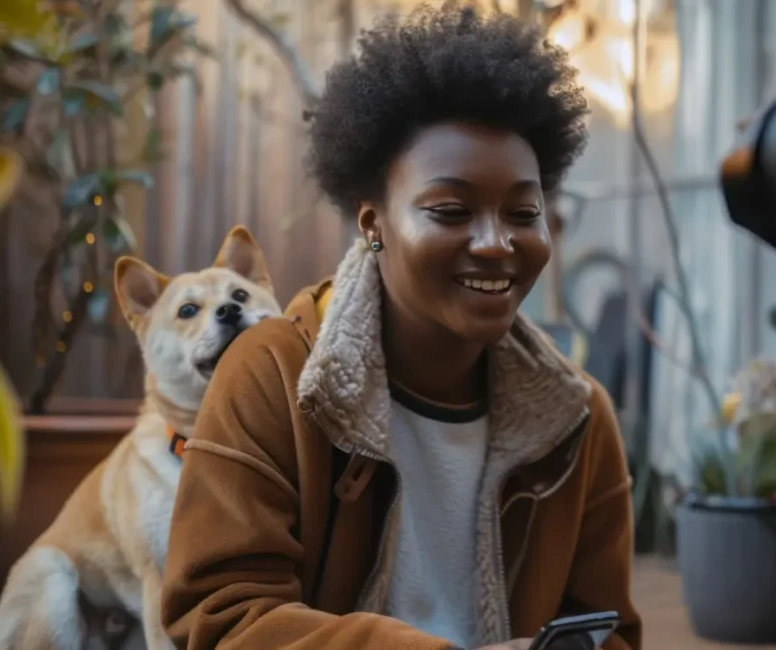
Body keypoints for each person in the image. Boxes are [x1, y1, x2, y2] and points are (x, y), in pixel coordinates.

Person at [159, 3, 641, 650]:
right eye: (450, 210)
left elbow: (610, 633)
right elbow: (219, 619)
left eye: (524, 213)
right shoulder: (273, 377)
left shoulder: (577, 421)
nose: (498, 243)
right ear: (372, 224)